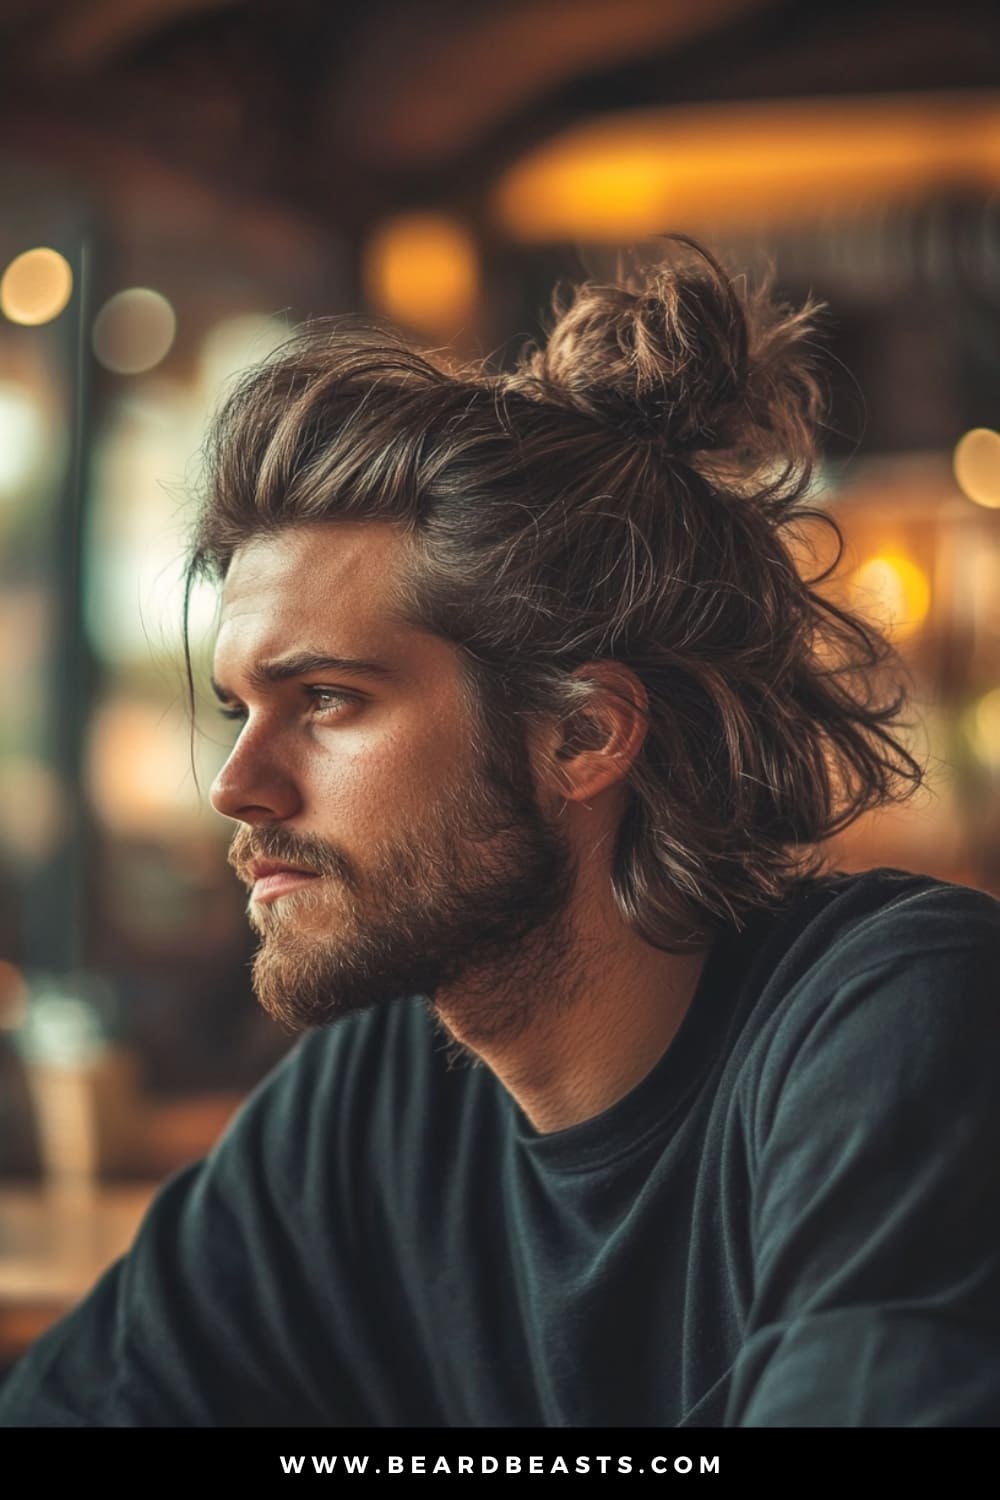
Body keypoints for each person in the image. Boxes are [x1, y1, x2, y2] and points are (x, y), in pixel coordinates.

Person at [2, 239, 999, 1428]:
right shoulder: (367, 1098)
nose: (237, 785)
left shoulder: (896, 1018)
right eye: (237, 709)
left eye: (325, 701)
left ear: (582, 738)